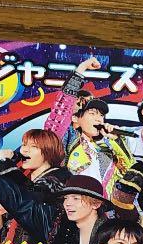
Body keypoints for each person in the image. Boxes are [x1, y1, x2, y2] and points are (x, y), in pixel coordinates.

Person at [44, 57, 134, 200]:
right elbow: (61, 111)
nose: (99, 119)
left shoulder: (106, 147)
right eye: (92, 113)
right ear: (75, 118)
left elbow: (129, 173)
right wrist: (82, 68)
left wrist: (115, 141)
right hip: (70, 206)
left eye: (101, 115)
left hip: (101, 208)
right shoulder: (67, 140)